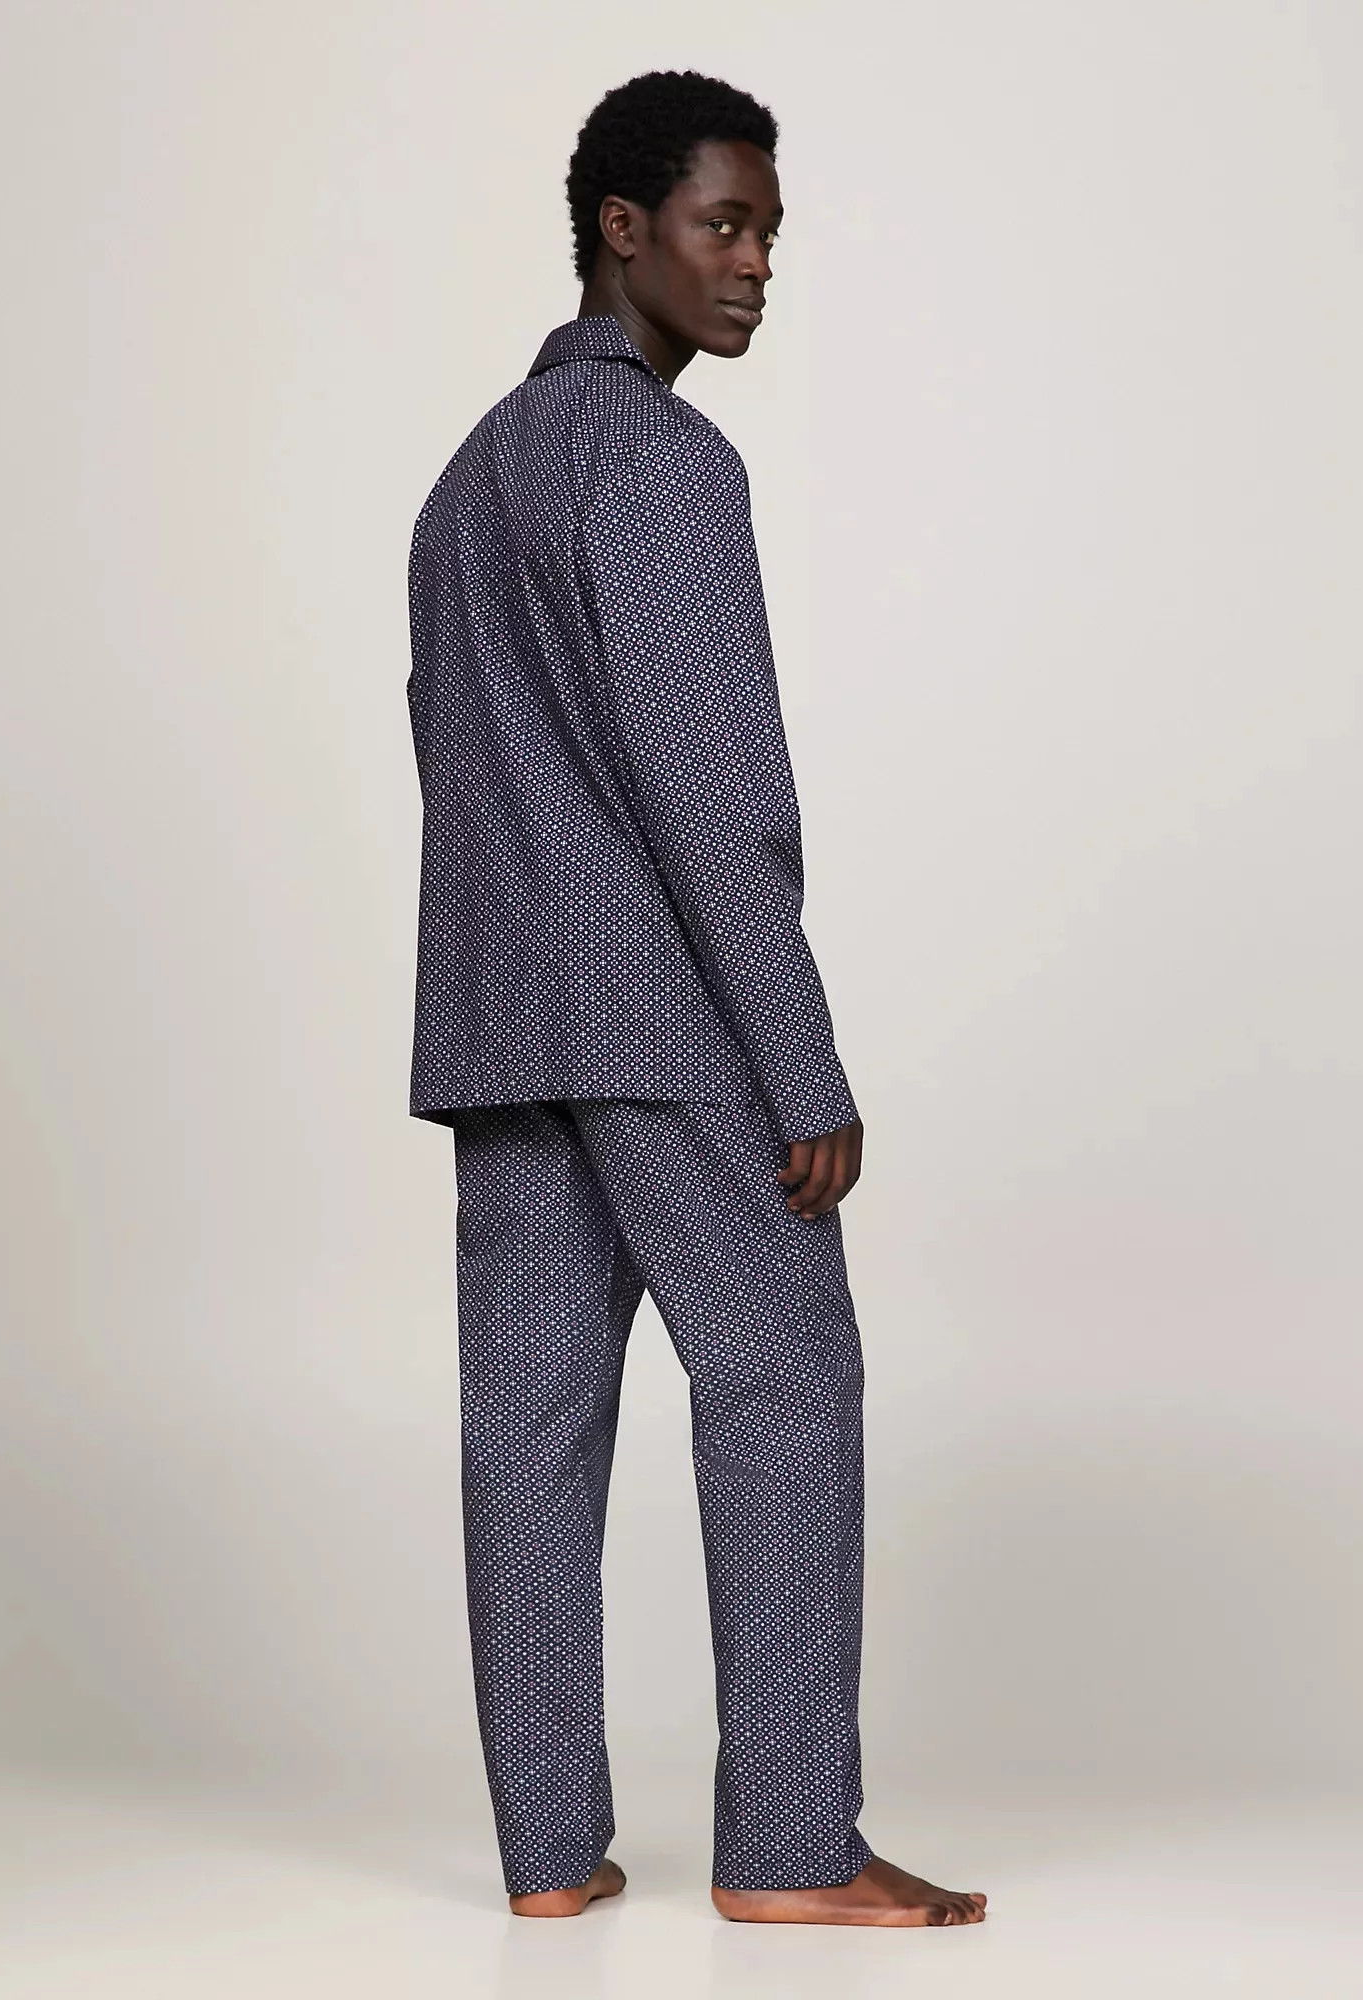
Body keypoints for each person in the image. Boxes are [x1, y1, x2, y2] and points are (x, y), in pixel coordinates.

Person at [403, 68, 986, 1930]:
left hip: (499, 1020)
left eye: (770, 236)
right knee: (788, 1381)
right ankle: (793, 1845)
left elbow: (459, 763)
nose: (753, 267)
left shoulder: (467, 482)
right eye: (725, 225)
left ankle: (546, 1856)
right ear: (621, 228)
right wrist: (803, 1064)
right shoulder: (660, 464)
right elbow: (711, 798)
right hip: (658, 1015)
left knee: (528, 1425)